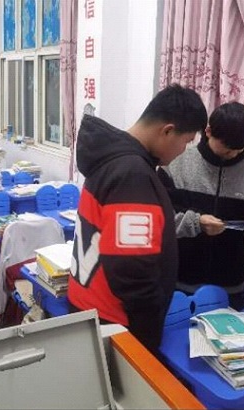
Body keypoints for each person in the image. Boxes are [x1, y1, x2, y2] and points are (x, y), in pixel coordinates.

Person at [68, 84, 207, 353]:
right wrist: (147, 332)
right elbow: (131, 269)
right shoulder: (132, 174)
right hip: (114, 324)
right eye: (186, 141)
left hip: (91, 307)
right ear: (167, 131)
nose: (183, 150)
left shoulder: (112, 159)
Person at [157, 101, 244, 310]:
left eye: (239, 150)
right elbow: (159, 220)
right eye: (227, 149)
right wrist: (197, 223)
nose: (233, 155)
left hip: (232, 287)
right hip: (179, 285)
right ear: (208, 131)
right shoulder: (176, 162)